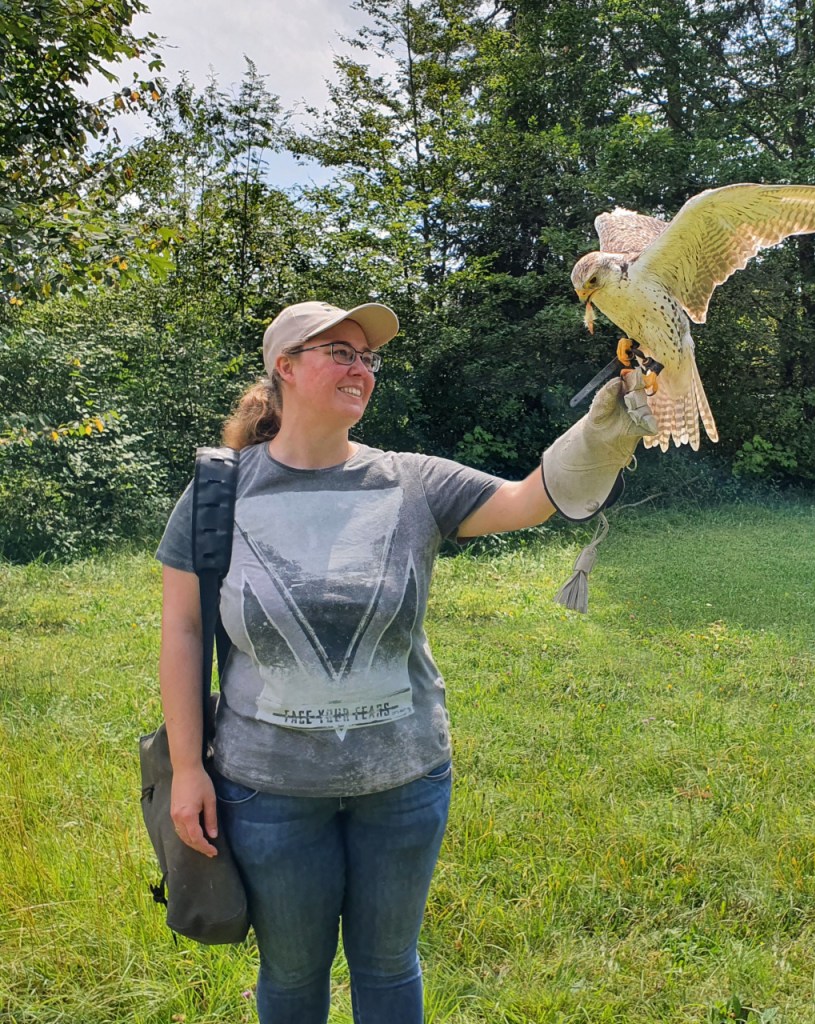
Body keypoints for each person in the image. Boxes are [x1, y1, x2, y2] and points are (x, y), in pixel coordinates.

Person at [155, 299, 656, 1024]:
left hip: (405, 783)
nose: (362, 369)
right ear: (285, 368)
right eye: (341, 352)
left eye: (370, 359)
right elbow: (182, 628)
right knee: (292, 975)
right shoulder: (220, 490)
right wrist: (189, 769)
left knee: (389, 967)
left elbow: (526, 500)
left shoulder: (413, 481)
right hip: (268, 790)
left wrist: (605, 427)